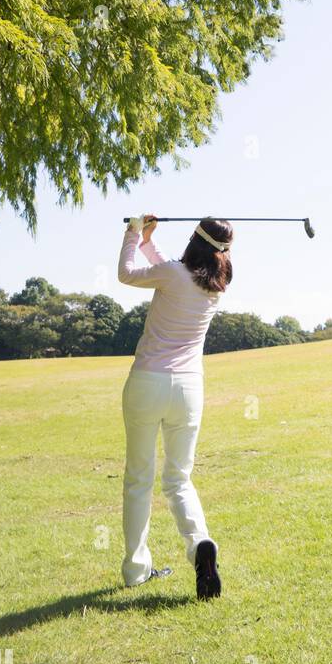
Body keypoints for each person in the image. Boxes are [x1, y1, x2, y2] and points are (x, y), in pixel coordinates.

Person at [117, 213, 234, 599]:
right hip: (188, 390)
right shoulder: (216, 287)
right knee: (179, 479)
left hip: (147, 383)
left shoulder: (172, 274)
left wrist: (133, 233)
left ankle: (136, 569)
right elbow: (171, 270)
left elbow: (127, 273)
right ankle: (198, 542)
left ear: (194, 241)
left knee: (139, 479)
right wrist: (149, 241)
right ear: (223, 253)